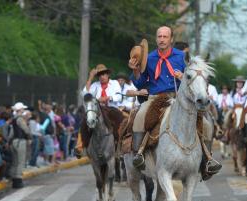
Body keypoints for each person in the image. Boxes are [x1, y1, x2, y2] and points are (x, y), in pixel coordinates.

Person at [129, 26, 221, 177]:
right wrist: (135, 71)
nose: (162, 39)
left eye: (165, 37)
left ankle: (207, 160)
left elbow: (194, 78)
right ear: (156, 39)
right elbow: (140, 84)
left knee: (206, 124)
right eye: (159, 36)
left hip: (180, 98)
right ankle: (139, 154)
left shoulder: (182, 57)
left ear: (171, 39)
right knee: (139, 117)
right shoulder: (149, 58)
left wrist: (181, 77)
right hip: (156, 98)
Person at [74, 64, 122, 158]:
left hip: (112, 109)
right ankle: (80, 146)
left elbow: (119, 96)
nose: (102, 76)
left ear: (108, 75)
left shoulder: (115, 83)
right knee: (85, 120)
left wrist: (108, 98)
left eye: (104, 74)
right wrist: (91, 77)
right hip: (98, 110)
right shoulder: (94, 85)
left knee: (122, 121)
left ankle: (122, 146)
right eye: (99, 75)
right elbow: (85, 94)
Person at [9, 102, 31, 188]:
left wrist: (9, 141)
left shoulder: (13, 119)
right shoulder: (21, 119)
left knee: (15, 161)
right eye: (23, 109)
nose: (23, 110)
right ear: (20, 110)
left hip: (14, 141)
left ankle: (14, 179)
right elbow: (26, 130)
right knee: (20, 161)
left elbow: (11, 133)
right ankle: (18, 180)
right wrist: (30, 136)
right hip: (20, 141)